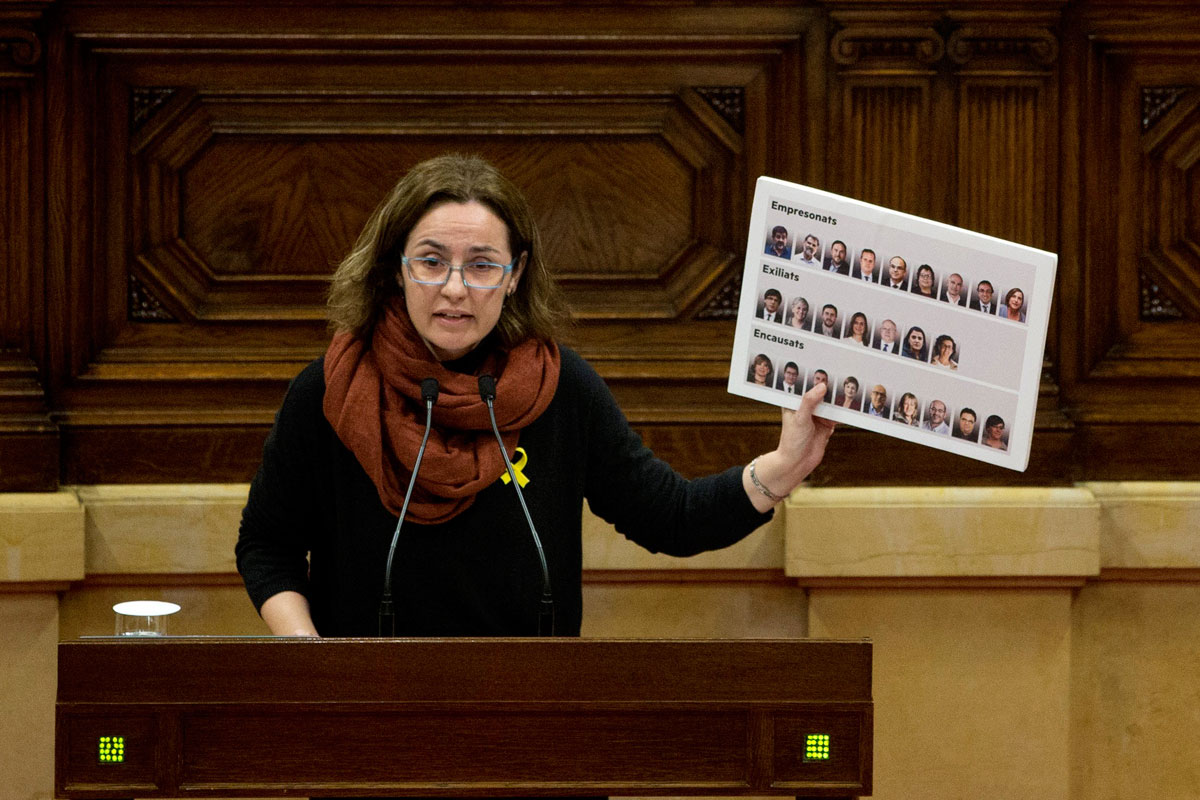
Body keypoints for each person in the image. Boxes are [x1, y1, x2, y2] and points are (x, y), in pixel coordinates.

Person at [235, 153, 836, 641]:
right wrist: (307, 657)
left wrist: (783, 468)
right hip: (365, 722)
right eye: (431, 262)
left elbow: (669, 517)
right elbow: (267, 545)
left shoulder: (559, 389)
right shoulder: (331, 390)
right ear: (396, 268)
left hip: (534, 721)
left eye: (481, 266)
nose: (454, 289)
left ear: (515, 274)